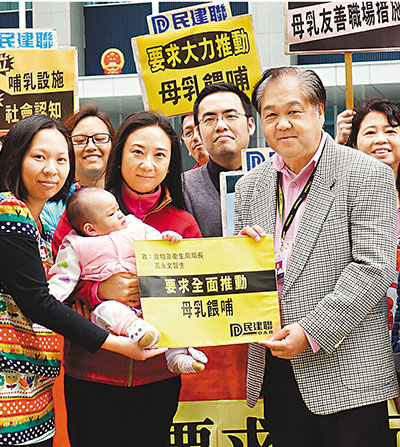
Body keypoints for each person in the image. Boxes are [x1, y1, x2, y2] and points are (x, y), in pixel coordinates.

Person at [235, 66, 398, 446]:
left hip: (349, 373)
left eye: (294, 111)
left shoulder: (367, 173)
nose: (282, 123)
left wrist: (311, 331)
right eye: (271, 114)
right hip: (276, 366)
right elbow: (241, 277)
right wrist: (239, 255)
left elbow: (374, 267)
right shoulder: (249, 186)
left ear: (319, 111)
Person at [0, 115, 165, 447]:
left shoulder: (41, 225)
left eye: (61, 160)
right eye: (39, 157)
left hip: (31, 385)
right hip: (8, 390)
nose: (52, 169)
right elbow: (39, 303)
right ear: (15, 157)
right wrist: (117, 344)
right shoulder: (9, 211)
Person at [52, 110, 202, 447]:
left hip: (158, 376)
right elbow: (58, 286)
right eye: (137, 151)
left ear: (170, 165)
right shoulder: (83, 212)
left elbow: (196, 295)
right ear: (119, 155)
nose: (147, 164)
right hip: (91, 371)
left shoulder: (182, 223)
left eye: (159, 155)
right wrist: (97, 291)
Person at [49, 186, 207, 374]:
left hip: (149, 301)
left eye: (118, 209)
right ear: (90, 229)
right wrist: (50, 303)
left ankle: (177, 355)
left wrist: (167, 238)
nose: (120, 215)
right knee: (105, 311)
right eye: (111, 214)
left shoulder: (133, 226)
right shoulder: (76, 246)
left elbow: (156, 241)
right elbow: (62, 278)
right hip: (112, 313)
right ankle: (138, 330)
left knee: (170, 310)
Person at [337, 98, 400, 411]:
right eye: (369, 132)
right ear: (353, 143)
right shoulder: (342, 196)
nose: (380, 140)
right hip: (359, 339)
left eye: (390, 131)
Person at [183, 82, 255, 237]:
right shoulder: (183, 188)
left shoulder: (279, 176)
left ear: (250, 125)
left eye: (231, 116)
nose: (221, 126)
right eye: (209, 119)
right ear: (198, 132)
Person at [41, 103, 114, 234]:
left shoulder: (127, 195)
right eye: (80, 141)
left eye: (100, 139)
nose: (91, 147)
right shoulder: (50, 206)